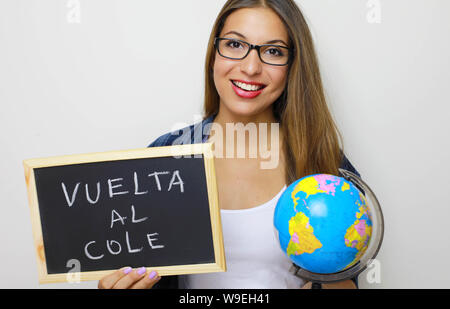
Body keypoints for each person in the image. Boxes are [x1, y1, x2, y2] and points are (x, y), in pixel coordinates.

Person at [98, 0, 360, 289]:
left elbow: (347, 279)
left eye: (273, 51)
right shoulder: (164, 157)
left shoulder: (324, 165)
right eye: (235, 45)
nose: (250, 68)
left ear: (293, 65)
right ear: (214, 54)